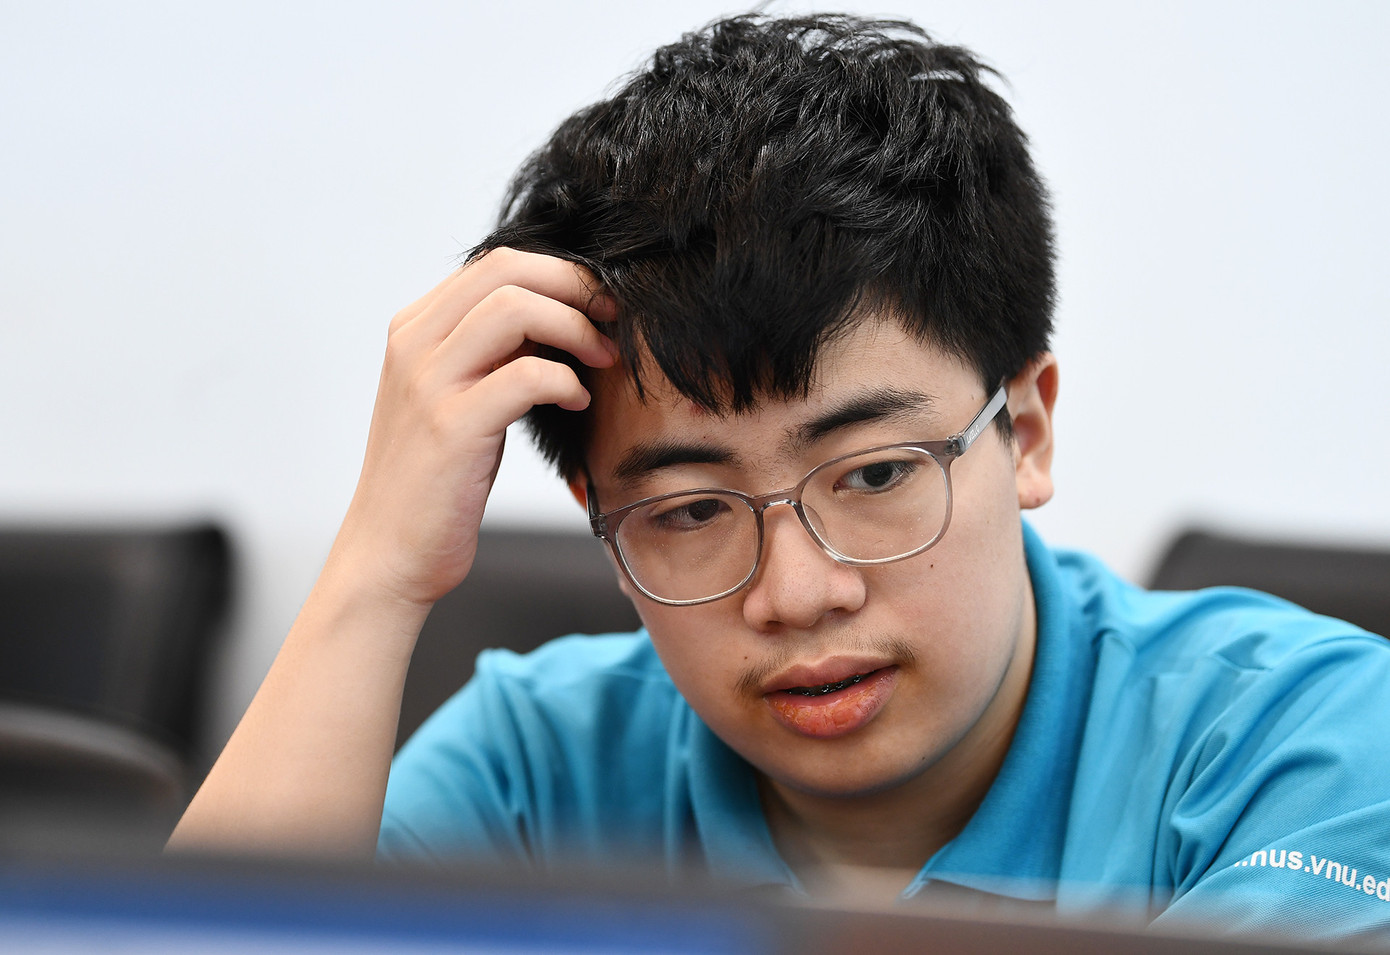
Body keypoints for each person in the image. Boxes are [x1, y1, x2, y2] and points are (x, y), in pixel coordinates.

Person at [170, 13, 1390, 943]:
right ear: (601, 524)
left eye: (874, 473)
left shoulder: (1307, 742)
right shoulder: (535, 768)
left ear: (1023, 431)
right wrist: (378, 568)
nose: (797, 595)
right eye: (690, 509)